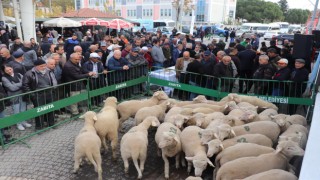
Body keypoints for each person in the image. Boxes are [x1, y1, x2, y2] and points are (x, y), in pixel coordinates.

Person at [22, 59, 57, 130]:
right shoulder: (29, 74)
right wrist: (33, 95)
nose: (44, 67)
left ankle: (51, 123)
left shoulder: (48, 71)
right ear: (36, 66)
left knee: (51, 108)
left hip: (49, 93)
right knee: (39, 111)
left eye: (45, 65)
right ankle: (39, 127)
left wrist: (53, 88)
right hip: (38, 95)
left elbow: (53, 80)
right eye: (41, 66)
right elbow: (25, 85)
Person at [2, 64, 32, 131]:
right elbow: (12, 88)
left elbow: (25, 82)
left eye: (10, 69)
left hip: (22, 94)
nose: (9, 71)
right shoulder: (4, 78)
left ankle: (23, 121)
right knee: (16, 110)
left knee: (23, 109)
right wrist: (21, 84)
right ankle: (18, 124)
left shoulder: (18, 74)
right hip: (14, 96)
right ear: (4, 71)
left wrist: (16, 85)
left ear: (12, 68)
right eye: (7, 70)